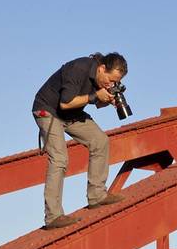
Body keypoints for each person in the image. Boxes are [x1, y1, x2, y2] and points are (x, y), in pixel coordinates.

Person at [32, 52, 128, 230]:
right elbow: (66, 103)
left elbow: (93, 101)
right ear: (101, 69)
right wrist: (95, 97)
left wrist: (109, 99)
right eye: (110, 80)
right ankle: (53, 217)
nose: (111, 84)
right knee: (60, 159)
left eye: (115, 82)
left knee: (100, 141)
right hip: (48, 110)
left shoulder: (100, 80)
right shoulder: (78, 69)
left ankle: (97, 195)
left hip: (71, 115)